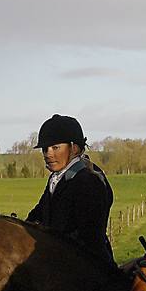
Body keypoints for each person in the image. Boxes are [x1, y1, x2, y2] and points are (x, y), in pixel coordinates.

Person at [27, 113, 115, 267]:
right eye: (45, 149)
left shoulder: (89, 180)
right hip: (58, 262)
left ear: (74, 148)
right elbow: (38, 214)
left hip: (87, 267)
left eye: (55, 147)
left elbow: (88, 237)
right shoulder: (57, 178)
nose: (48, 154)